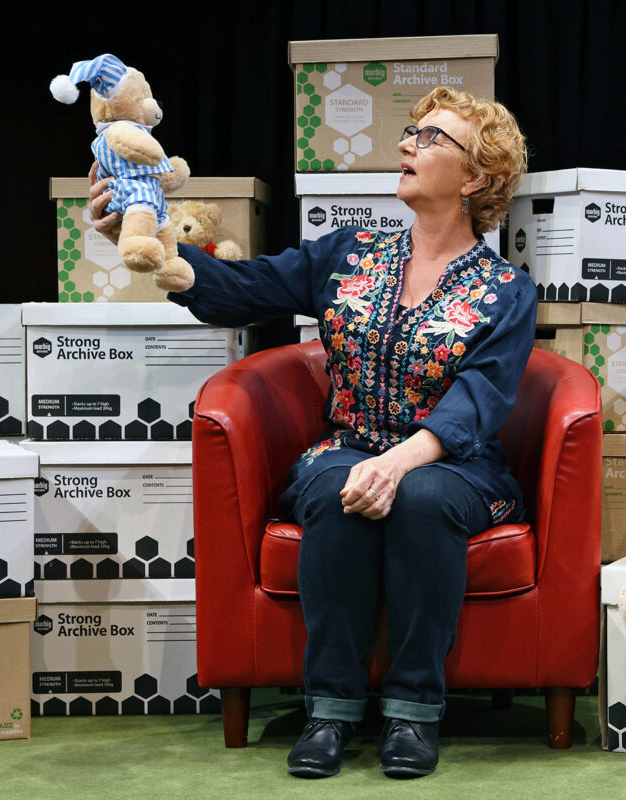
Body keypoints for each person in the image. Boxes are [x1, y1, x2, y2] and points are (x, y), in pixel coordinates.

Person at [90, 87, 533, 779]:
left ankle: (414, 713)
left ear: (475, 178)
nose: (406, 144)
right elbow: (242, 289)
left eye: (431, 137)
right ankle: (329, 711)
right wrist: (137, 238)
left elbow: (481, 398)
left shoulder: (507, 288)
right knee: (335, 492)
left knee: (421, 499)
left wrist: (401, 463)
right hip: (349, 445)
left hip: (457, 462)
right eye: (411, 130)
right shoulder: (348, 254)